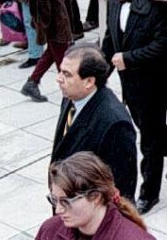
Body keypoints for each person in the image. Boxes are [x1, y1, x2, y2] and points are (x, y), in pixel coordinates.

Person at [101, 0, 167, 214]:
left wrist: (128, 59)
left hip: (155, 82)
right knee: (153, 128)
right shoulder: (114, 3)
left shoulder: (155, 4)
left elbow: (164, 44)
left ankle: (149, 193)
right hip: (131, 85)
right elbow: (110, 39)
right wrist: (101, 72)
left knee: (149, 139)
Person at [51, 44, 138, 201]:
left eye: (67, 74)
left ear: (89, 82)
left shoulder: (115, 123)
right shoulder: (71, 97)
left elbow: (122, 190)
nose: (59, 78)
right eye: (60, 71)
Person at [37, 152, 154, 240]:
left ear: (95, 197)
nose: (58, 210)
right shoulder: (49, 231)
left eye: (66, 202)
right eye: (54, 200)